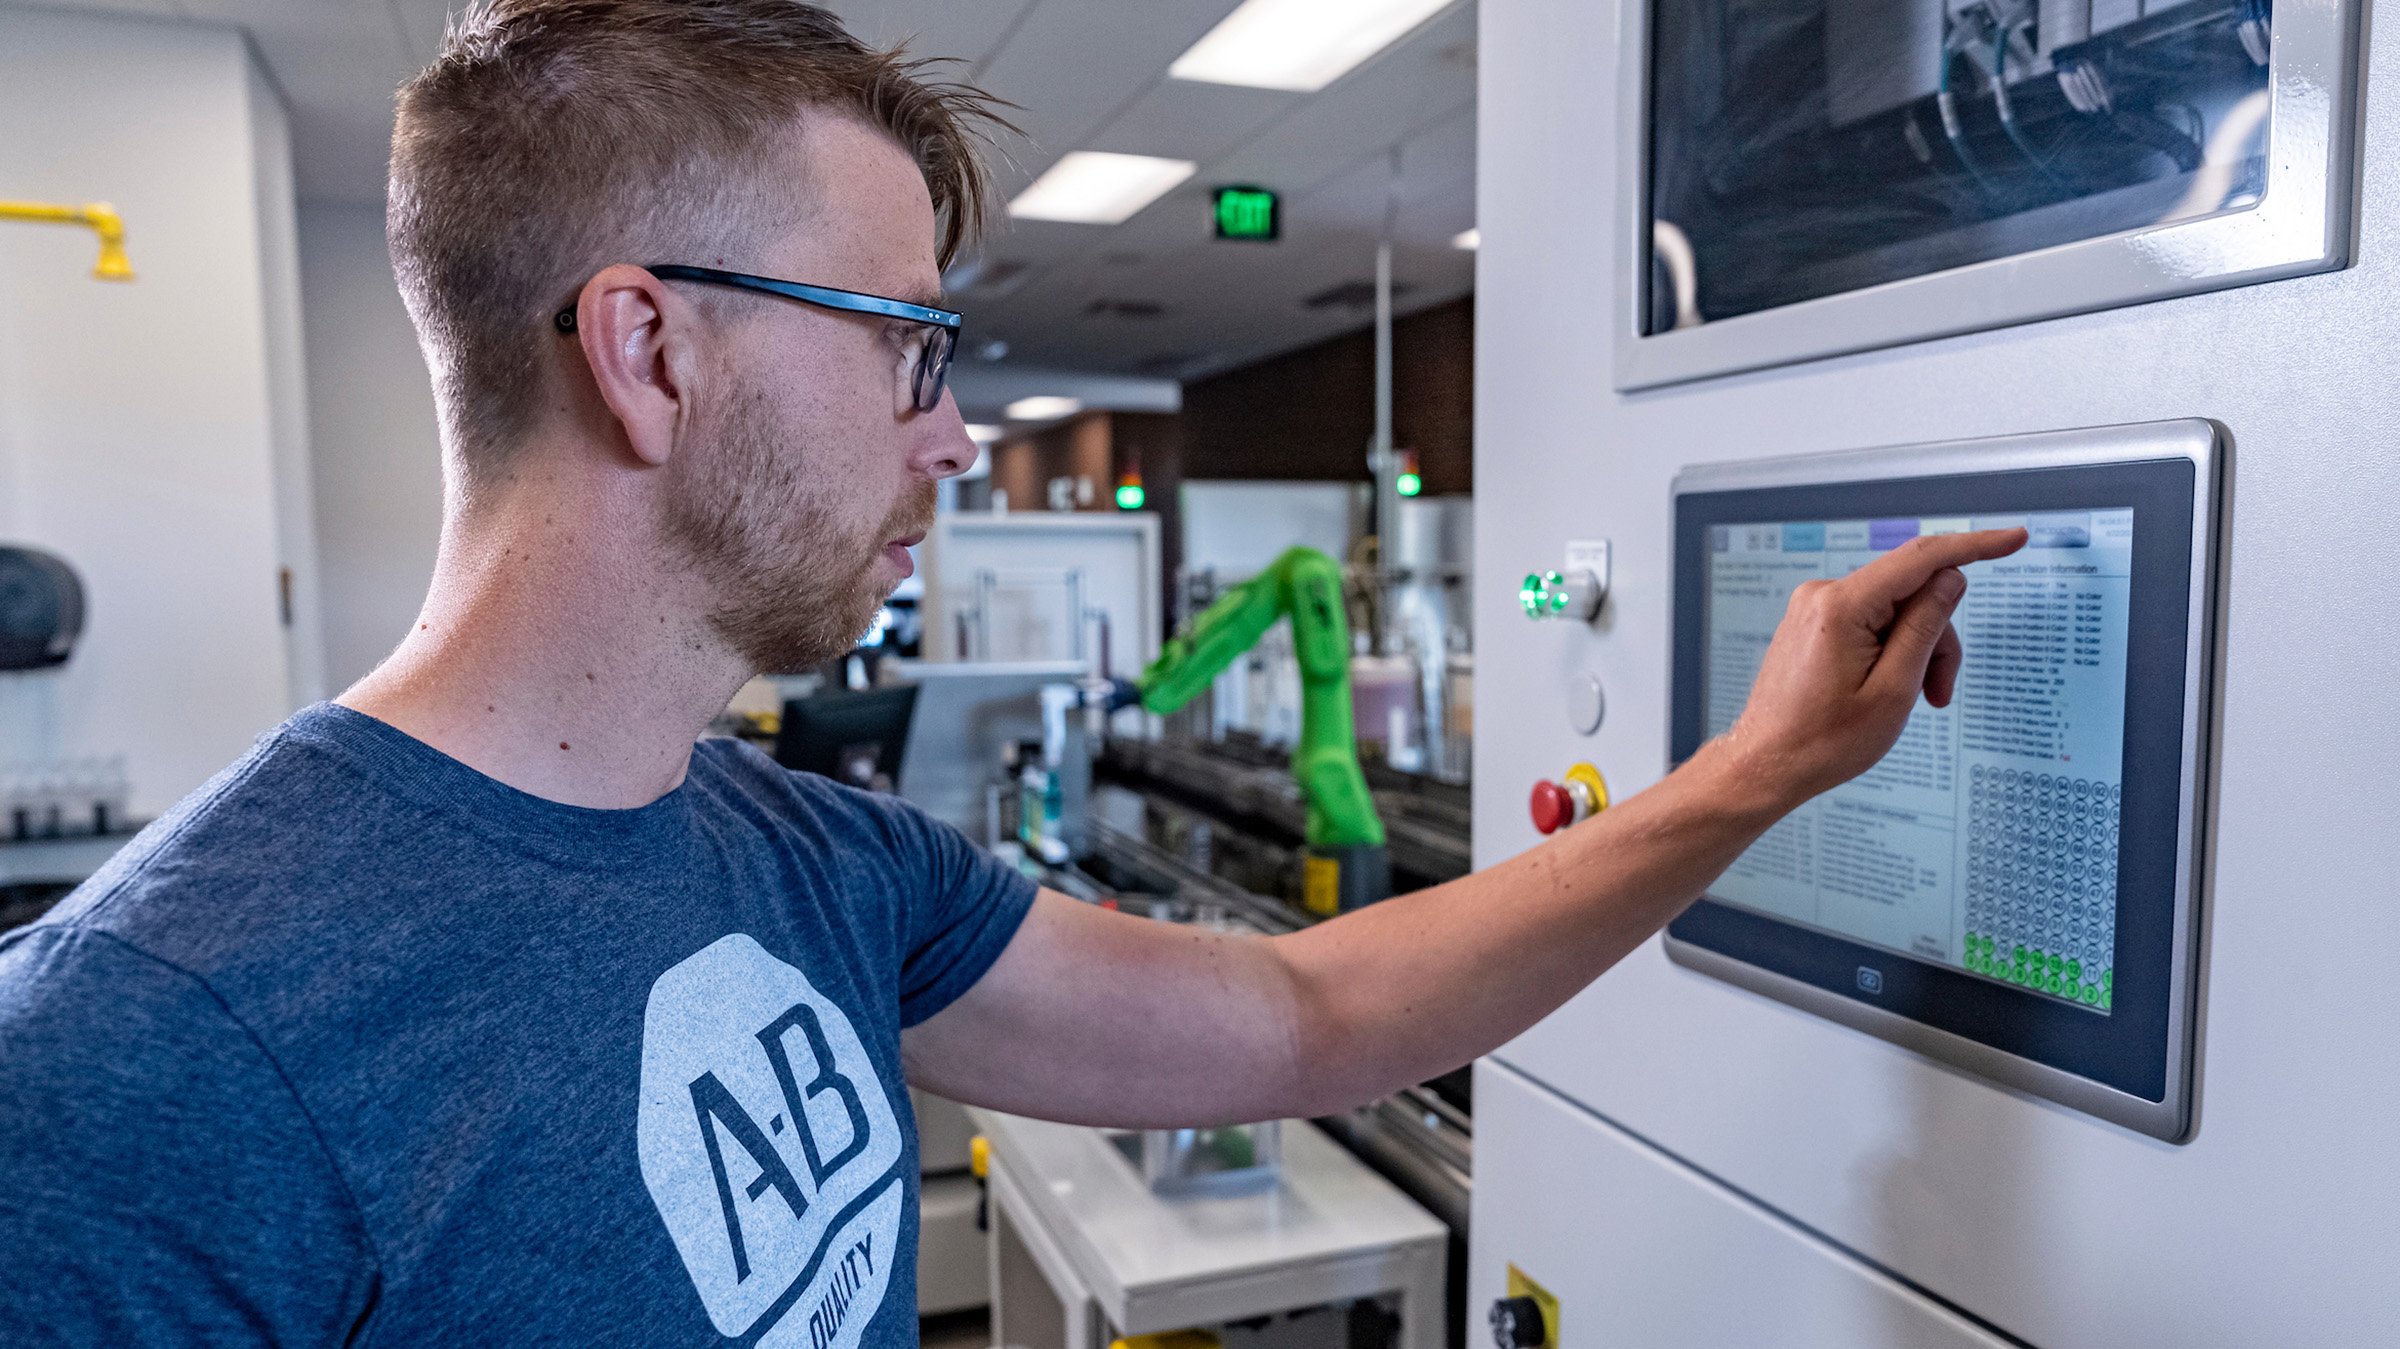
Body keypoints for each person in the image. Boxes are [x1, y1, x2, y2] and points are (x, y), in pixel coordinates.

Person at [0, 2, 2026, 1344]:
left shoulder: (811, 860)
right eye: (908, 343)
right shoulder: (140, 1059)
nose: (953, 434)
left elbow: (1297, 1012)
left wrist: (1754, 776)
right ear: (649, 350)